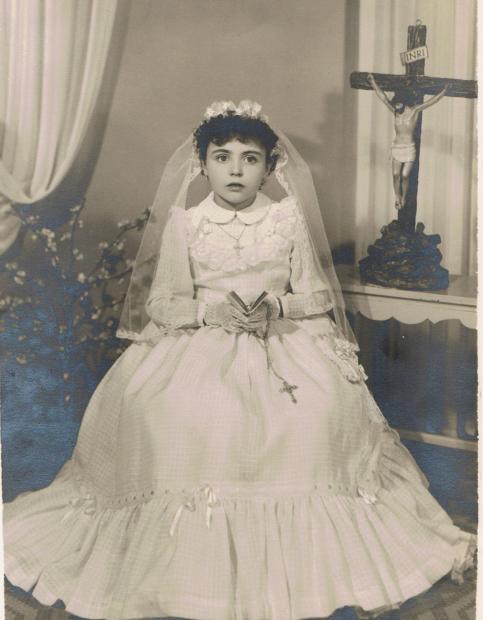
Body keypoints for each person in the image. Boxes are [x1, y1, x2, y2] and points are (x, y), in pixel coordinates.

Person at [3, 100, 476, 620]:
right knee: (174, 411)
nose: (235, 169)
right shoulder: (187, 222)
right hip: (201, 338)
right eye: (222, 157)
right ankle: (185, 568)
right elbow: (161, 303)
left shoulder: (285, 218)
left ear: (269, 168)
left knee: (317, 413)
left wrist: (277, 306)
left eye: (250, 159)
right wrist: (209, 312)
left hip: (283, 338)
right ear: (202, 165)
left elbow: (318, 295)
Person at [367, 73, 449, 210]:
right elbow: (383, 98)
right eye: (395, 105)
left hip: (409, 148)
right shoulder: (395, 111)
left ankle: (403, 197)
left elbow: (431, 102)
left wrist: (444, 91)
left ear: (404, 101)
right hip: (397, 147)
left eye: (399, 105)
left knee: (405, 176)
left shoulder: (414, 110)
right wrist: (372, 82)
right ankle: (397, 197)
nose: (397, 107)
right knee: (395, 175)